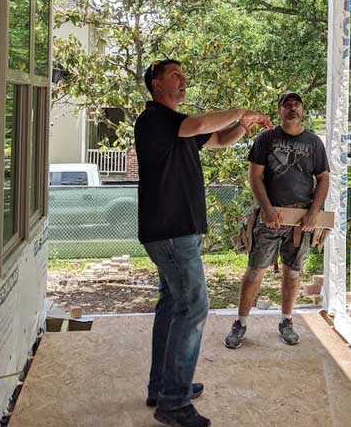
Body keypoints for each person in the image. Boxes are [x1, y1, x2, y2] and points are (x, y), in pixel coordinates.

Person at [135, 59, 273, 427]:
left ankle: (163, 386)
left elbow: (216, 139)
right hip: (171, 232)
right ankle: (174, 403)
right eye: (175, 75)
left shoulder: (177, 126)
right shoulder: (154, 121)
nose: (184, 81)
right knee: (194, 307)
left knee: (172, 305)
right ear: (156, 84)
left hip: (178, 232)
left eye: (184, 75)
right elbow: (199, 125)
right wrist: (240, 110)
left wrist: (240, 127)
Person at [225, 91, 329, 349]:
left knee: (293, 273)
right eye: (287, 105)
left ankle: (286, 321)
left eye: (297, 105)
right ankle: (240, 323)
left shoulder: (314, 143)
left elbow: (323, 178)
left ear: (303, 111)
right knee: (255, 271)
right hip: (271, 217)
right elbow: (255, 177)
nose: (293, 108)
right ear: (279, 111)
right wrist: (267, 210)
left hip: (301, 220)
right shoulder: (266, 139)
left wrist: (314, 212)